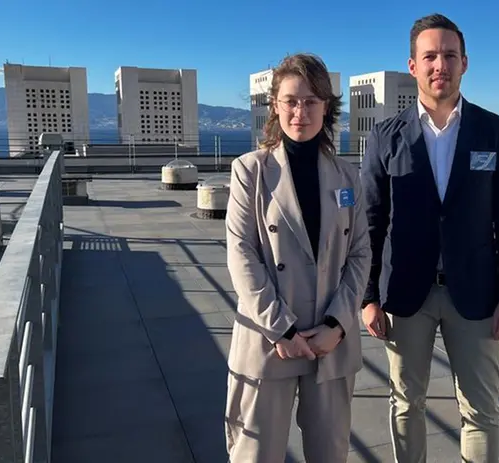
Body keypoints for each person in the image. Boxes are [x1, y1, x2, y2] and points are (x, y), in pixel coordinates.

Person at [360, 13, 499, 463]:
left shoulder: (495, 132)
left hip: (476, 295)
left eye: (449, 55)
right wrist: (368, 295)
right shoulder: (385, 137)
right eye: (430, 55)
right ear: (413, 66)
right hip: (404, 295)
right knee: (404, 404)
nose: (441, 65)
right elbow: (370, 223)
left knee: (481, 410)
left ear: (465, 63)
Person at [224, 53, 372, 463]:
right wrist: (282, 330)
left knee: (330, 453)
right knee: (256, 453)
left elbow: (360, 253)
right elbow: (242, 256)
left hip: (330, 343)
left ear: (327, 106)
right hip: (268, 340)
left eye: (310, 101)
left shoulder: (348, 176)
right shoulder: (249, 171)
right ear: (275, 105)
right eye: (290, 100)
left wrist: (338, 325)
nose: (300, 111)